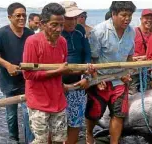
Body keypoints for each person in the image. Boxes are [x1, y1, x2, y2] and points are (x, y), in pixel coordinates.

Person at [86, 1, 136, 144]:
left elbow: (130, 56)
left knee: (119, 114)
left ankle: (114, 142)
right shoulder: (99, 31)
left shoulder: (131, 31)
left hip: (120, 79)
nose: (127, 18)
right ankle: (89, 134)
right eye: (123, 15)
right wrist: (96, 78)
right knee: (95, 112)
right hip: (101, 77)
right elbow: (92, 57)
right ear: (113, 14)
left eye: (130, 15)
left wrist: (128, 72)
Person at [0, 2, 34, 143]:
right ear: (10, 17)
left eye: (24, 15)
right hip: (9, 81)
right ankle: (13, 139)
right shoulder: (1, 33)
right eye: (18, 15)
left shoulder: (30, 33)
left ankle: (30, 140)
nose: (22, 18)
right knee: (11, 114)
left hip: (27, 80)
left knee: (28, 113)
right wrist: (7, 65)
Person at [22, 3, 68, 144]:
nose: (59, 29)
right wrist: (56, 72)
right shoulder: (32, 42)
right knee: (41, 140)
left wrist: (86, 70)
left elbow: (65, 67)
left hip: (58, 99)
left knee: (60, 140)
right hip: (38, 101)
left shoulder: (62, 42)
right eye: (54, 25)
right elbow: (28, 75)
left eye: (61, 25)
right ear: (42, 24)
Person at [60, 1, 91, 144]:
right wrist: (58, 83)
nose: (72, 21)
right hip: (58, 86)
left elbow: (87, 54)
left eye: (75, 17)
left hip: (78, 84)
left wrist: (86, 76)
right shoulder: (56, 32)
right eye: (68, 18)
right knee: (56, 125)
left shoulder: (80, 30)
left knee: (75, 122)